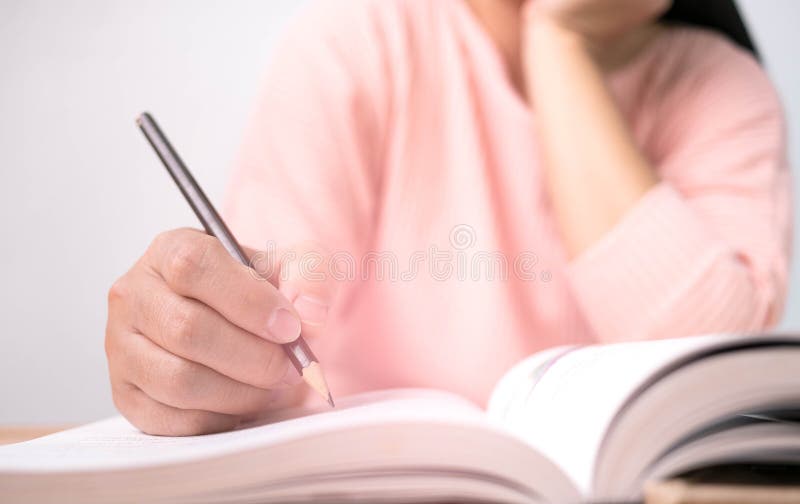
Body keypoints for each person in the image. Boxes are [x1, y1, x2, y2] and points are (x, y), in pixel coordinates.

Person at [105, 0, 791, 435]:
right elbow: (267, 297)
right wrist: (204, 343)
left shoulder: (724, 88)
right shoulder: (358, 38)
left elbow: (702, 369)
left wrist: (558, 39)